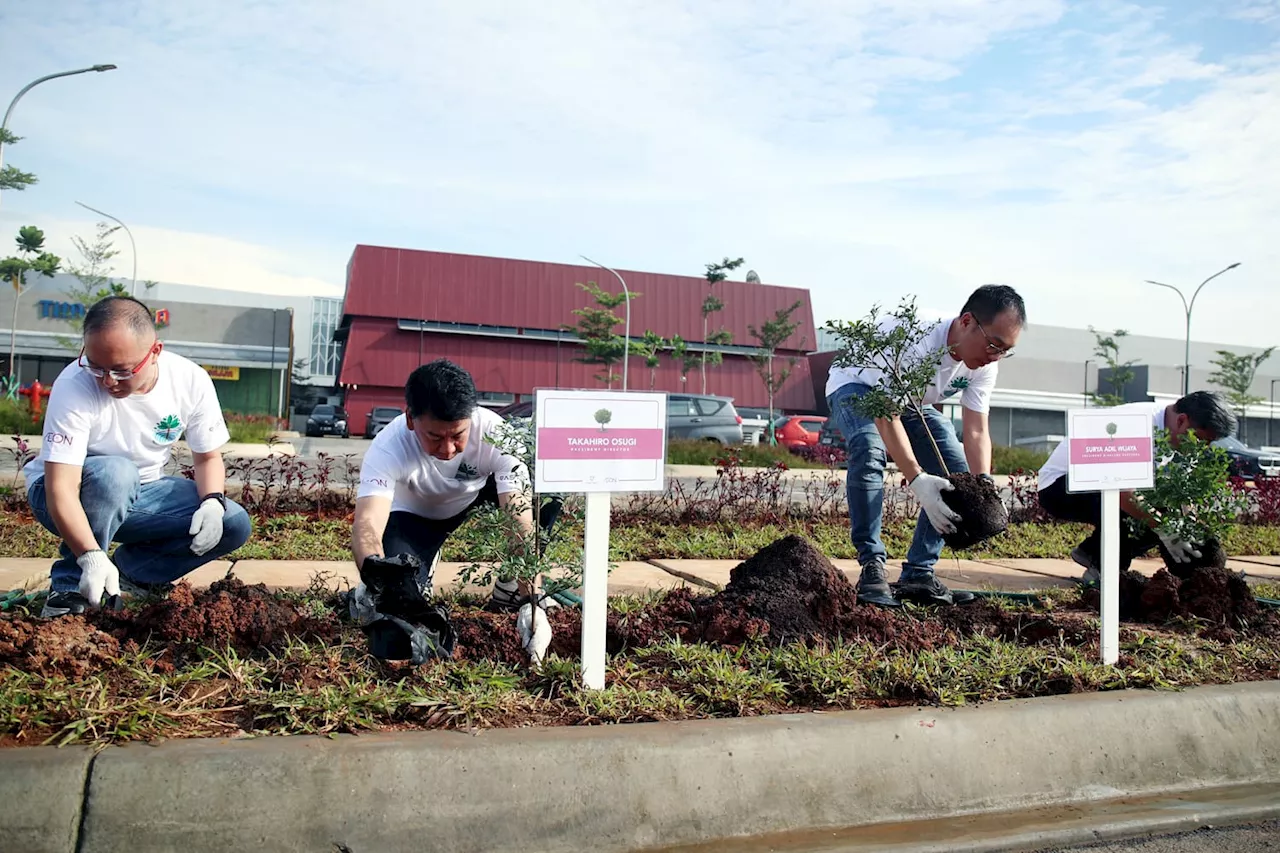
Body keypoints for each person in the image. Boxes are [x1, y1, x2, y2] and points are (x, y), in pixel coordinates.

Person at [24, 296, 252, 618]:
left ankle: (132, 574)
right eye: (96, 366)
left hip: (140, 495)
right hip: (59, 495)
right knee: (116, 473)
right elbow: (61, 487)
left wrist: (213, 502)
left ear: (155, 351)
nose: (107, 381)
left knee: (233, 522)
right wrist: (89, 555)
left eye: (121, 370)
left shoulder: (190, 381)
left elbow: (206, 458)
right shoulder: (74, 385)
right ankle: (70, 586)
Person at [826, 285, 1026, 607]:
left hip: (909, 401)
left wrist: (983, 485)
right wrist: (918, 480)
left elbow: (975, 430)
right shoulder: (914, 338)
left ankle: (919, 572)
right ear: (966, 322)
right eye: (993, 345)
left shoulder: (986, 365)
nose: (994, 356)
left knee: (957, 471)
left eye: (1004, 350)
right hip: (856, 386)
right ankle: (872, 566)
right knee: (869, 448)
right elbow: (885, 413)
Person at [350, 359, 559, 612]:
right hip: (416, 516)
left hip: (476, 496)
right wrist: (379, 580)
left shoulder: (497, 434)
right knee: (404, 598)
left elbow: (519, 520)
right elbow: (367, 525)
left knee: (547, 492)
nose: (448, 449)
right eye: (435, 437)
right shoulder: (389, 446)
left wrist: (532, 602)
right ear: (410, 419)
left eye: (458, 435)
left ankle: (511, 587)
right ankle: (417, 566)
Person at [1037, 391, 1237, 583]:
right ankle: (1106, 571)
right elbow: (1122, 491)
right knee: (1140, 509)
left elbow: (1179, 496)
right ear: (1181, 420)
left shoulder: (1183, 437)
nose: (1202, 448)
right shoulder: (1136, 423)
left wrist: (1187, 527)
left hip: (1108, 486)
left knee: (1165, 512)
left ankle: (1092, 551)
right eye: (1201, 440)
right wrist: (1165, 528)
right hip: (1062, 486)